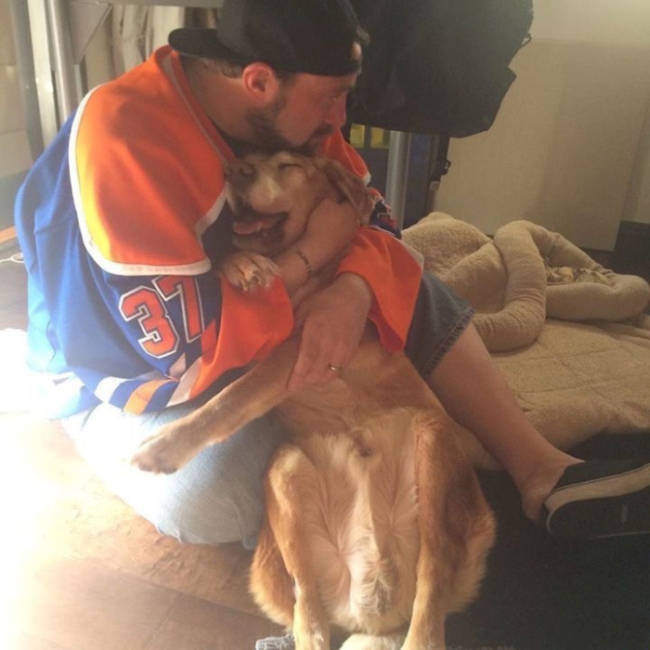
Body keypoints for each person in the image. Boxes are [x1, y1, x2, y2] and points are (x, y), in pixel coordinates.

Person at [14, 0, 650, 558]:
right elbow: (184, 355)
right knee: (217, 495)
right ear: (259, 81)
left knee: (399, 278)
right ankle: (360, 536)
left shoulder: (293, 115)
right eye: (332, 97)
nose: (342, 115)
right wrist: (313, 260)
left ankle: (539, 468)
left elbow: (375, 223)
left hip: (248, 328)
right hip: (130, 381)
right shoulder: (127, 142)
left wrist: (350, 290)